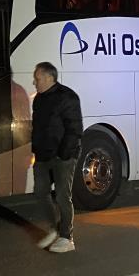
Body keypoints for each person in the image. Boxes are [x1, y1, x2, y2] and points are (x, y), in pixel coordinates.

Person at [31, 61, 83, 254]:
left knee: (62, 195)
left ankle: (67, 237)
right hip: (43, 156)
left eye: (37, 79)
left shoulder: (67, 97)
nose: (34, 83)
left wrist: (64, 155)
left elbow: (74, 129)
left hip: (63, 157)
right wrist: (36, 150)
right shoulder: (39, 98)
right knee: (40, 192)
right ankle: (54, 229)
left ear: (49, 78)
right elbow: (38, 128)